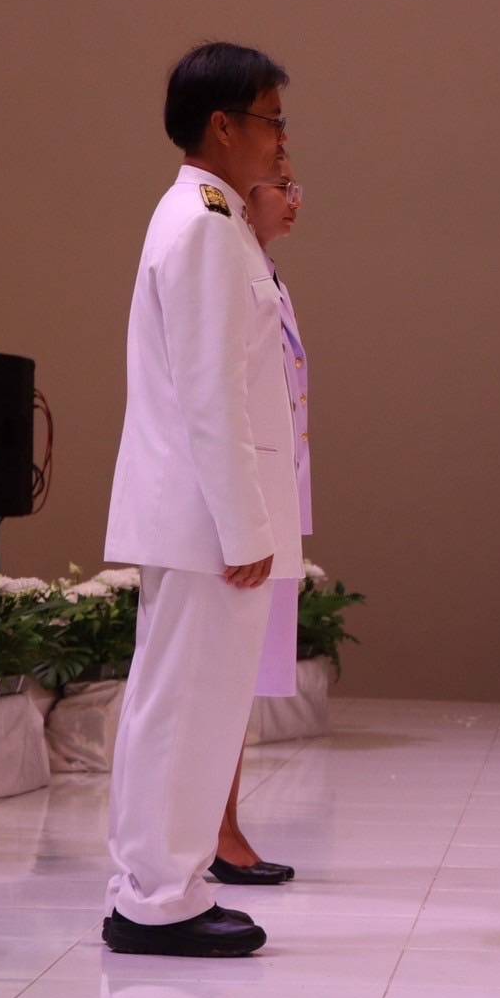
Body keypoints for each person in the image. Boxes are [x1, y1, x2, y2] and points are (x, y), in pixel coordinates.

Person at [101, 42, 298, 958]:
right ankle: (155, 895)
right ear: (224, 126)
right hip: (203, 514)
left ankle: (158, 885)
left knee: (182, 704)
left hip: (196, 511)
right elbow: (210, 392)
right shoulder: (208, 225)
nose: (280, 140)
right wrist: (246, 523)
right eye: (271, 120)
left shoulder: (205, 218)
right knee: (185, 707)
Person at [209, 154, 308, 887]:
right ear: (247, 198)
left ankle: (224, 819)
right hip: (243, 506)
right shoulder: (226, 261)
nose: (294, 197)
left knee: (242, 678)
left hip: (275, 500)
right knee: (223, 677)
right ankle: (216, 826)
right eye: (282, 184)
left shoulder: (268, 275)